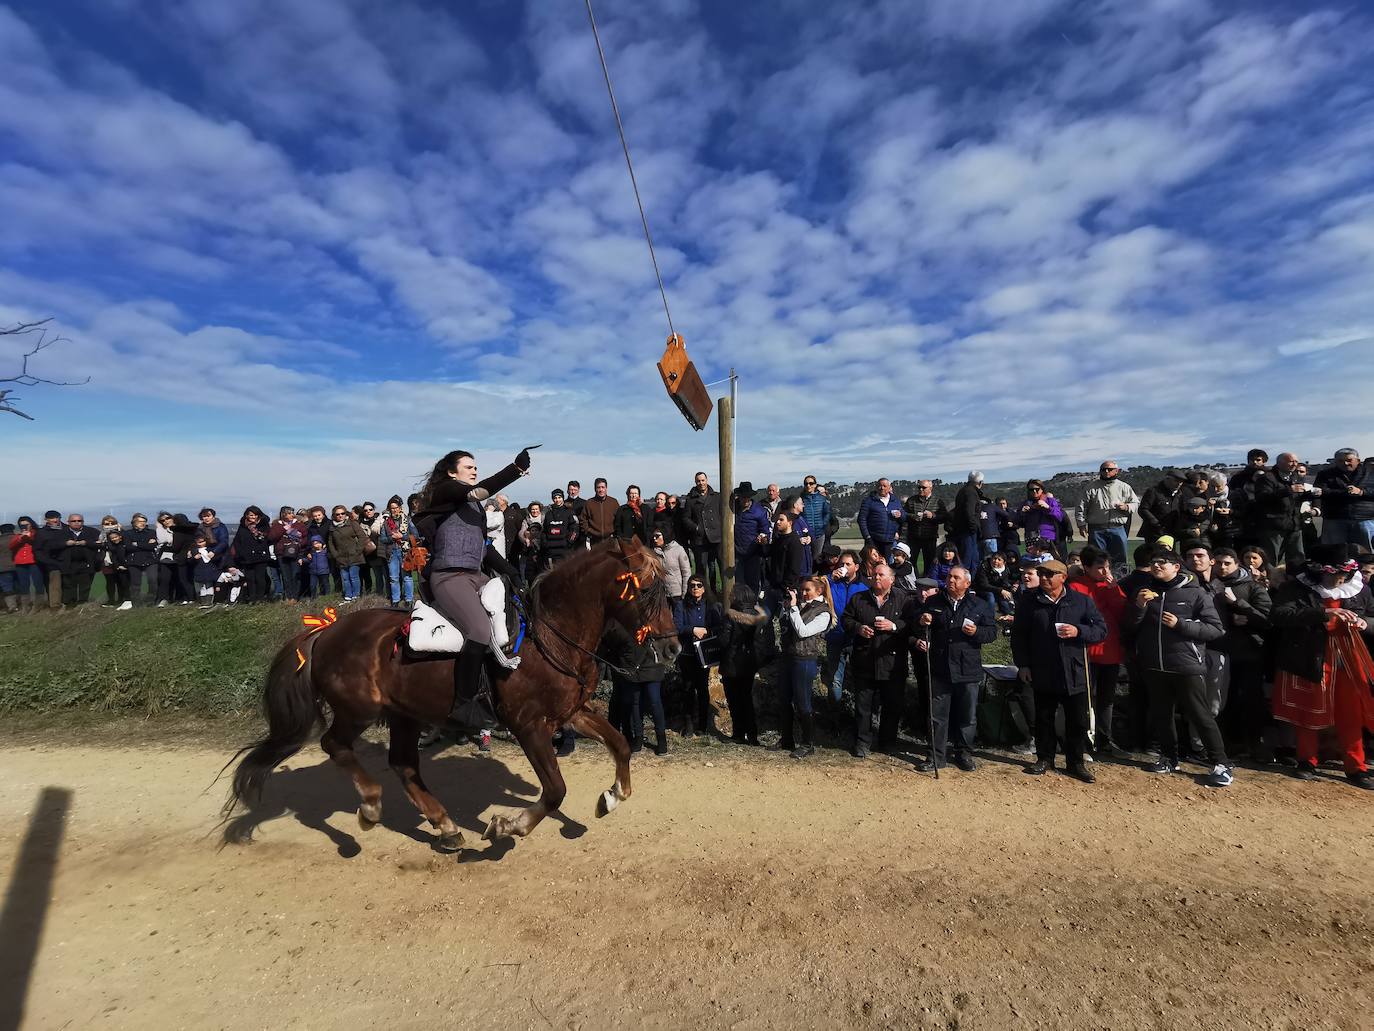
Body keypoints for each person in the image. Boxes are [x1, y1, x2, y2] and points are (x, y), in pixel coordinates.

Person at [415, 447, 531, 706]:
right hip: (448, 577)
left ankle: (497, 688)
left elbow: (484, 547)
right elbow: (479, 490)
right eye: (469, 467)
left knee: (515, 616)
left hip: (475, 576)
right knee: (480, 629)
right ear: (451, 471)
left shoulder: (475, 507)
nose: (474, 470)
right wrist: (516, 470)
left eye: (475, 466)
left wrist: (510, 571)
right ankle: (463, 704)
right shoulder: (446, 490)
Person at [1124, 548, 1232, 787]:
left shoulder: (1195, 594)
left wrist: (1181, 624)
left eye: (1163, 562)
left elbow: (1215, 629)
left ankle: (1221, 763)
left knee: (1200, 715)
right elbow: (1130, 626)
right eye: (1154, 562)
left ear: (1176, 567)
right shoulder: (1143, 592)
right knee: (1162, 716)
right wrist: (1139, 606)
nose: (1157, 566)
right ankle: (1169, 758)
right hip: (1154, 665)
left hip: (1186, 665)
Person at [1269, 547, 1374, 789]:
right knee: (1309, 710)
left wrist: (1363, 622)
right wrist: (1322, 613)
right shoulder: (1296, 588)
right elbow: (1279, 615)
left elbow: (1371, 617)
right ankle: (1307, 761)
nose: (1339, 580)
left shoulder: (1361, 590)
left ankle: (1356, 766)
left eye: (1342, 575)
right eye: (1334, 575)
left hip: (1348, 658)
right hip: (1309, 656)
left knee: (1350, 713)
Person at [1010, 559, 1107, 783]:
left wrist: (1078, 630)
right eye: (1041, 573)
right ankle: (1045, 758)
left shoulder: (1081, 601)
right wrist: (1023, 664)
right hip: (1042, 669)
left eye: (1049, 574)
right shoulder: (1029, 602)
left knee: (1077, 721)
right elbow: (1019, 636)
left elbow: (1101, 629)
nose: (1043, 578)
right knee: (1044, 717)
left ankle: (1075, 763)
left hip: (1075, 670)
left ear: (1063, 577)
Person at [912, 566, 997, 772]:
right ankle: (935, 756)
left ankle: (964, 753)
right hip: (940, 667)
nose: (951, 580)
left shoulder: (980, 605)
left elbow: (992, 633)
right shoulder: (933, 602)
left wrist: (977, 631)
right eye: (949, 576)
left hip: (968, 669)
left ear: (967, 583)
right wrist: (923, 622)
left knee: (967, 716)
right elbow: (918, 627)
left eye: (956, 578)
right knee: (937, 716)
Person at [1208, 547, 1272, 760]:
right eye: (1218, 562)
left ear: (1237, 564)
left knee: (1251, 699)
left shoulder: (1253, 587)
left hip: (1248, 653)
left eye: (1227, 563)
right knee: (1223, 701)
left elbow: (1267, 619)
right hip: (1219, 651)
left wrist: (1238, 604)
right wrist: (1229, 617)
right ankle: (1228, 743)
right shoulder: (1209, 586)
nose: (1222, 567)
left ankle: (1255, 743)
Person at [1068, 546, 1130, 758]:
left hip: (1110, 650)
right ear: (1086, 567)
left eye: (1107, 567)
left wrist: (1113, 589)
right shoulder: (1076, 586)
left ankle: (1105, 741)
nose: (1106, 572)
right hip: (1087, 651)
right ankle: (1084, 743)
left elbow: (1122, 611)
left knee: (1106, 699)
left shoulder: (1111, 585)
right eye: (1100, 567)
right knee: (1085, 700)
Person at [842, 563, 907, 758]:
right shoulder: (859, 598)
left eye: (881, 575)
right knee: (863, 706)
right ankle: (862, 742)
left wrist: (894, 626)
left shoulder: (903, 599)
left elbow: (911, 624)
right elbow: (846, 620)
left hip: (892, 662)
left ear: (892, 579)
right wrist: (858, 628)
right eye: (874, 574)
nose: (876, 578)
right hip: (865, 660)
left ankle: (887, 742)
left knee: (892, 705)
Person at [776, 576, 834, 759]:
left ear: (819, 591)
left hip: (805, 659)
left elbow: (803, 631)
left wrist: (793, 607)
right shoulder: (801, 606)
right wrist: (787, 609)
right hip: (789, 656)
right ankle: (786, 739)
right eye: (801, 590)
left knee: (803, 702)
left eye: (807, 590)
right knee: (784, 699)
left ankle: (808, 743)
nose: (803, 593)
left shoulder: (823, 612)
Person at [606, 619, 671, 755]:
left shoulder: (652, 615)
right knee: (635, 703)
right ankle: (638, 738)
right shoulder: (624, 617)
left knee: (654, 701)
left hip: (651, 663)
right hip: (632, 664)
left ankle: (661, 740)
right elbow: (616, 635)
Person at [674, 575, 723, 739]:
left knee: (702, 689)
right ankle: (688, 725)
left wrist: (707, 632)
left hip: (703, 653)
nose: (695, 588)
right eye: (692, 585)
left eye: (698, 585)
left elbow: (718, 626)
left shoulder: (711, 605)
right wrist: (693, 630)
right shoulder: (681, 605)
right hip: (687, 653)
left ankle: (703, 725)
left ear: (704, 588)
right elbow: (677, 627)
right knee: (687, 689)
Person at [719, 584, 768, 746]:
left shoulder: (731, 615)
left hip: (732, 663)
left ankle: (738, 734)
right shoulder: (757, 614)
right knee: (746, 699)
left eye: (732, 593)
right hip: (749, 663)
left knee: (734, 701)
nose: (730, 596)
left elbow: (724, 641)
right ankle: (752, 735)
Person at [1247, 452, 1308, 567]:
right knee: (1271, 557)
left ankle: (1296, 580)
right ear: (1280, 463)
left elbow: (1297, 498)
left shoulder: (1295, 477)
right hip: (1274, 526)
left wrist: (1310, 494)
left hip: (1294, 524)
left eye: (1296, 462)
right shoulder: (1267, 478)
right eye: (1291, 461)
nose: (1294, 464)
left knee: (1297, 557)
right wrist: (1288, 490)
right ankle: (1269, 581)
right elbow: (1262, 497)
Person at [821, 550, 867, 701]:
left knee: (861, 678)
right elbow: (812, 587)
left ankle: (859, 714)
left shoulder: (864, 587)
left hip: (857, 639)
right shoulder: (831, 582)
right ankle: (835, 716)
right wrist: (829, 578)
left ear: (857, 567)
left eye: (848, 564)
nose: (844, 567)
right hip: (835, 637)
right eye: (842, 564)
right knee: (835, 679)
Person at [1077, 461, 1137, 568]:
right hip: (1096, 530)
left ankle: (1120, 581)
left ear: (1116, 471)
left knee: (1120, 560)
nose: (1106, 471)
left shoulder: (1124, 487)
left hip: (1118, 528)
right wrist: (1081, 524)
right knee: (1097, 559)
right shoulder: (1090, 488)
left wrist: (1126, 507)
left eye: (1109, 469)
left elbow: (1135, 503)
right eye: (1103, 469)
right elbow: (1081, 507)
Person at [1315, 448, 1374, 550]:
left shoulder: (1371, 473)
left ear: (1358, 461)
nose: (1345, 463)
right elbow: (1320, 492)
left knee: (1366, 553)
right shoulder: (1324, 474)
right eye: (1340, 461)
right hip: (1334, 518)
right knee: (1333, 552)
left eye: (1349, 460)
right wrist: (1344, 492)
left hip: (1364, 518)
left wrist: (1361, 492)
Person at [683, 471, 723, 589]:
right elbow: (685, 518)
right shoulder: (690, 500)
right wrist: (696, 527)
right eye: (698, 481)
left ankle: (722, 594)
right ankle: (703, 595)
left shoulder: (717, 497)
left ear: (707, 480)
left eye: (703, 480)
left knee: (720, 566)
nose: (701, 483)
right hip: (700, 539)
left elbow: (723, 514)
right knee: (701, 568)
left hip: (716, 537)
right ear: (695, 482)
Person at [902, 480, 947, 575]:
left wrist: (933, 516)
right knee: (911, 561)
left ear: (930, 488)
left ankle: (927, 583)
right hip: (913, 537)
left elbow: (944, 517)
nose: (921, 489)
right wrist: (913, 517)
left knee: (930, 562)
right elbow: (904, 514)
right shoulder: (911, 500)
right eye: (919, 487)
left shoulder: (938, 501)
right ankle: (915, 581)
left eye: (923, 487)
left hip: (930, 537)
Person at [732, 481, 771, 593]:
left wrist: (762, 539)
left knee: (752, 582)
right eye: (743, 497)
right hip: (736, 552)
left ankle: (752, 605)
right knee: (738, 583)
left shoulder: (759, 511)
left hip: (753, 553)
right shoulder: (732, 508)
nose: (745, 500)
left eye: (747, 497)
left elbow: (765, 532)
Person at [327, 505, 369, 603]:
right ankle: (348, 595)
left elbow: (362, 537)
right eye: (338, 514)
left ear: (346, 514)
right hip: (341, 557)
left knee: (354, 577)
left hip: (354, 555)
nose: (340, 516)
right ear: (334, 515)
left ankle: (356, 595)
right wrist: (335, 555)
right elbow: (330, 542)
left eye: (342, 513)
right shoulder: (332, 527)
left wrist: (357, 551)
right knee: (345, 578)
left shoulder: (352, 524)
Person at [380, 496, 417, 605]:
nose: (394, 510)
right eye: (392, 508)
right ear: (389, 509)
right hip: (392, 553)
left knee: (407, 577)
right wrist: (393, 538)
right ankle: (395, 600)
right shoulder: (386, 523)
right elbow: (382, 538)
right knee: (393, 578)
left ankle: (409, 599)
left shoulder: (407, 519)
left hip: (405, 552)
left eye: (396, 507)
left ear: (400, 508)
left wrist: (403, 536)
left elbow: (415, 535)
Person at [765, 508, 804, 609]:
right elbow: (767, 553)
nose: (778, 522)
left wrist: (786, 587)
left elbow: (794, 568)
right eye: (777, 519)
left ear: (790, 523)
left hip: (785, 590)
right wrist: (762, 544)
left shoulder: (794, 542)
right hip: (773, 586)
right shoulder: (778, 539)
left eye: (781, 520)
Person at [856, 478, 903, 557]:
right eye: (879, 486)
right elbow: (861, 520)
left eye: (884, 486)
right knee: (872, 564)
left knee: (889, 566)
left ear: (889, 487)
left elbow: (903, 518)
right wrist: (867, 537)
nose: (882, 488)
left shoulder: (895, 501)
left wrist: (900, 515)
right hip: (873, 540)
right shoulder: (868, 501)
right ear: (876, 487)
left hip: (890, 541)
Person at [268, 506, 307, 602]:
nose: (292, 515)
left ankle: (295, 596)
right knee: (286, 576)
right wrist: (284, 528)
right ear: (283, 514)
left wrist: (297, 545)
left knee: (295, 575)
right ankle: (288, 596)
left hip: (296, 553)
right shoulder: (277, 525)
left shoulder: (299, 525)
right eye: (289, 513)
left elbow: (305, 537)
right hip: (282, 554)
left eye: (292, 513)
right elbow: (272, 537)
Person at [1015, 481, 1066, 552]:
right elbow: (1018, 522)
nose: (1034, 491)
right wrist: (1022, 513)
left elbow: (1059, 516)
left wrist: (1048, 508)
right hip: (1031, 538)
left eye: (1037, 489)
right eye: (1031, 490)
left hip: (1048, 538)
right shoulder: (1024, 504)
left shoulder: (1049, 501)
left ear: (1042, 489)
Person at [653, 527, 691, 619]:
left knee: (679, 619)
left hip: (678, 594)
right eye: (653, 536)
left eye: (657, 536)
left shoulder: (679, 550)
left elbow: (686, 572)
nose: (654, 539)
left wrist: (685, 593)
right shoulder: (655, 552)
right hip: (663, 594)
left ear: (665, 536)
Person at [951, 472, 986, 571]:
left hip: (964, 530)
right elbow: (969, 512)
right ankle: (964, 584)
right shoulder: (971, 492)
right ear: (980, 482)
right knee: (968, 560)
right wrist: (974, 528)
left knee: (972, 559)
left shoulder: (964, 491)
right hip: (967, 532)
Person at [1138, 472, 1184, 544]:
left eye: (1181, 482)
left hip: (1172, 532)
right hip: (1154, 532)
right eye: (1176, 481)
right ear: (1167, 479)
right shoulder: (1153, 491)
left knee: (1170, 554)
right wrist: (1155, 522)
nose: (1179, 484)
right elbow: (1143, 509)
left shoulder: (1180, 495)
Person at [8, 517, 43, 613]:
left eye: (26, 524)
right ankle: (25, 606)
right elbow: (11, 546)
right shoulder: (18, 535)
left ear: (31, 524)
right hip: (20, 562)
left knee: (37, 583)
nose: (24, 526)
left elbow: (37, 542)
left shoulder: (37, 533)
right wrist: (21, 537)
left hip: (34, 561)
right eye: (21, 525)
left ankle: (37, 605)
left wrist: (29, 535)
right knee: (24, 584)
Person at [123, 514, 158, 607]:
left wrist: (136, 544)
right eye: (140, 521)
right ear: (134, 523)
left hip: (150, 560)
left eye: (144, 521)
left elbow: (153, 546)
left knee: (153, 580)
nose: (142, 523)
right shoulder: (127, 533)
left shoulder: (151, 532)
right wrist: (145, 544)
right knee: (135, 584)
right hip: (134, 561)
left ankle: (150, 602)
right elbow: (129, 547)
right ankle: (136, 604)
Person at [974, 552, 1016, 624]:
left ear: (1004, 562)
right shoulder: (984, 566)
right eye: (994, 558)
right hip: (982, 589)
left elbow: (1004, 583)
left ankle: (1008, 615)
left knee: (1005, 597)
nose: (996, 561)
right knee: (990, 597)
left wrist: (1011, 588)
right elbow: (983, 585)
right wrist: (1000, 590)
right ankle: (990, 618)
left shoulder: (1005, 569)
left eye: (999, 559)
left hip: (995, 589)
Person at [541, 489, 579, 567]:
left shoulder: (569, 512)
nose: (557, 500)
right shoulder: (548, 514)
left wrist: (569, 542)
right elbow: (544, 531)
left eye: (559, 497)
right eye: (555, 498)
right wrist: (545, 543)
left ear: (562, 498)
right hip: (551, 551)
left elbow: (575, 530)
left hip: (565, 550)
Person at [801, 476, 832, 566]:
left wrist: (823, 523)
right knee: (805, 559)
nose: (808, 485)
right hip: (806, 535)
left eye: (811, 483)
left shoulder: (822, 499)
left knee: (816, 559)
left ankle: (814, 579)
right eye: (806, 484)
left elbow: (827, 513)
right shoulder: (801, 499)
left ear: (815, 485)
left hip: (819, 534)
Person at [579, 477, 619, 547]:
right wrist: (588, 531)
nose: (601, 490)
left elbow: (619, 519)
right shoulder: (589, 503)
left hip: (611, 540)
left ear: (606, 488)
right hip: (594, 541)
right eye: (598, 487)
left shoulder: (613, 502)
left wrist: (615, 532)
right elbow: (583, 519)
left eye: (603, 487)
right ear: (595, 489)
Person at [97, 526, 130, 608]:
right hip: (115, 566)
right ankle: (115, 601)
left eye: (116, 537)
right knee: (112, 583)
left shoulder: (125, 545)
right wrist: (118, 566)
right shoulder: (111, 547)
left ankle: (125, 600)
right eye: (112, 538)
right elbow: (114, 557)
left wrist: (126, 566)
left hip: (126, 567)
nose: (114, 539)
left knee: (124, 584)